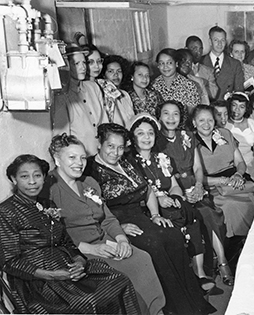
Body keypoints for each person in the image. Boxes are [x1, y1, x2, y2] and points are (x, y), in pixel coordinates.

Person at [84, 123, 216, 315]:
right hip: (117, 221)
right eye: (110, 146)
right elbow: (94, 210)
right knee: (154, 244)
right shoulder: (91, 169)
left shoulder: (126, 162)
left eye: (120, 147)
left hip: (140, 215)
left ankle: (191, 304)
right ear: (100, 144)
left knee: (173, 236)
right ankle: (171, 308)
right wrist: (119, 227)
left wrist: (155, 215)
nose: (116, 152)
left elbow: (146, 190)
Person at [0, 154, 140, 314]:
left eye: (37, 175)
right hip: (37, 280)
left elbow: (67, 242)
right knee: (88, 301)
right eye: (24, 177)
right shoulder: (6, 211)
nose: (32, 182)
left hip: (66, 268)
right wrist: (52, 276)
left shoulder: (47, 204)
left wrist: (80, 262)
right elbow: (9, 262)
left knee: (118, 281)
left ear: (44, 177)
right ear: (13, 179)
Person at [46, 134, 165, 315]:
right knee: (123, 272)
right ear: (57, 159)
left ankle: (155, 311)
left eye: (82, 157)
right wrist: (88, 249)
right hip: (78, 251)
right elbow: (51, 236)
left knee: (142, 258)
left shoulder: (89, 182)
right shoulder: (49, 188)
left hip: (105, 241)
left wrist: (122, 239)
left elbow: (108, 219)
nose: (79, 163)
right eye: (72, 157)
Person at [127, 114, 215, 291]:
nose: (147, 138)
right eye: (141, 133)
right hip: (146, 208)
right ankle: (184, 278)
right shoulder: (130, 162)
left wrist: (175, 198)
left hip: (169, 202)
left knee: (190, 212)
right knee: (173, 217)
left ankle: (199, 273)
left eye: (150, 133)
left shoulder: (162, 157)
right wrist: (160, 199)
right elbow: (140, 192)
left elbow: (174, 186)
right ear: (132, 137)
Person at [154, 101, 233, 287]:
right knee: (202, 214)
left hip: (194, 185)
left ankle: (222, 262)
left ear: (181, 118)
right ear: (159, 116)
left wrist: (198, 185)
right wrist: (181, 194)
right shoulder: (155, 140)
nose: (171, 118)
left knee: (210, 213)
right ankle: (210, 268)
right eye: (166, 114)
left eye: (175, 114)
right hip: (172, 190)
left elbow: (197, 167)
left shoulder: (188, 136)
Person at [192, 105, 254, 239]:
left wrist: (238, 174)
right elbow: (195, 177)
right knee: (230, 205)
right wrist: (222, 180)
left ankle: (251, 239)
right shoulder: (190, 142)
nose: (206, 124)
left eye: (210, 120)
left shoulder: (225, 134)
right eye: (201, 120)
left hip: (235, 181)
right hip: (211, 186)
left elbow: (240, 162)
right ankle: (236, 242)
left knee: (251, 200)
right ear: (194, 122)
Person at [52, 46, 107, 156]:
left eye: (84, 63)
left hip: (102, 155)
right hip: (80, 158)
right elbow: (62, 136)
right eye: (76, 64)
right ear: (66, 66)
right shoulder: (62, 96)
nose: (83, 67)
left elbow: (104, 123)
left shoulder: (93, 87)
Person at [225, 92, 254, 185]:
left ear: (246, 109)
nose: (237, 110)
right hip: (232, 166)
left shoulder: (253, 124)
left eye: (241, 107)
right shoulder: (224, 125)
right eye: (234, 105)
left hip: (251, 163)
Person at [151, 48, 200, 115]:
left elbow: (193, 113)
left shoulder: (188, 85)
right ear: (158, 66)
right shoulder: (153, 85)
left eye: (169, 63)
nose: (165, 67)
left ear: (176, 64)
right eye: (162, 63)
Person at [201, 26, 244, 99]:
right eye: (216, 40)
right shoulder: (200, 62)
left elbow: (239, 92)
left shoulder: (235, 64)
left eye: (222, 40)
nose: (219, 43)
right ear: (210, 41)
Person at [99, 55, 135, 127]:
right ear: (103, 75)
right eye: (110, 71)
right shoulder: (102, 96)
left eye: (119, 71)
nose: (116, 75)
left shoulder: (125, 95)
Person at [185, 35, 218, 101]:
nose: (199, 52)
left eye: (201, 49)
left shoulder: (208, 71)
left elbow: (214, 94)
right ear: (186, 49)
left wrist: (203, 81)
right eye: (195, 49)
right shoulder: (181, 69)